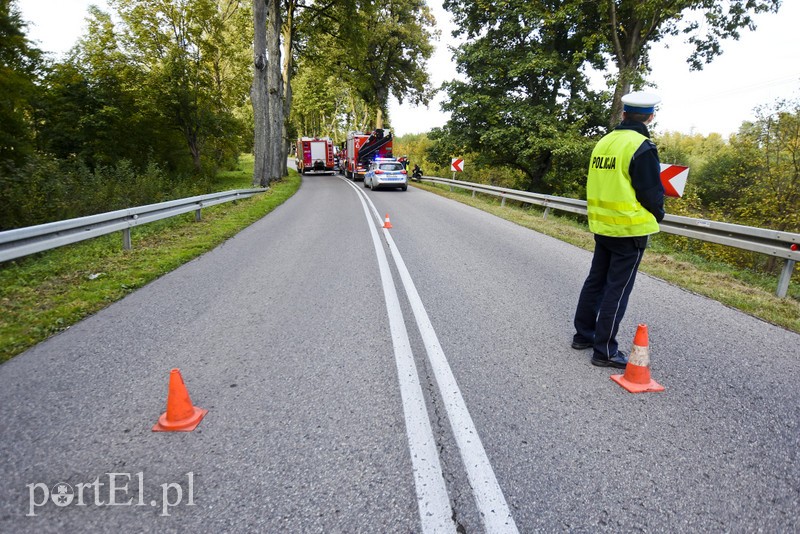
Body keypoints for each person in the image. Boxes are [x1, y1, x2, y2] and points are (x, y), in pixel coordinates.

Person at [572, 91, 666, 369]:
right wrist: (658, 213)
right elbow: (650, 191)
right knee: (617, 289)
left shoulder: (604, 142)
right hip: (630, 229)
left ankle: (583, 335)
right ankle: (605, 351)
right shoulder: (642, 146)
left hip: (603, 224)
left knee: (596, 282)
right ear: (650, 116)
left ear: (623, 114)